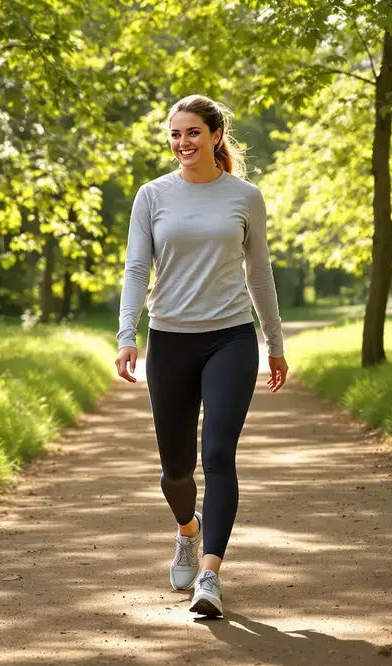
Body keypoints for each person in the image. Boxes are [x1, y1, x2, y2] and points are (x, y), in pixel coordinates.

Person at [115, 94, 288, 618]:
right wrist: (127, 335)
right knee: (176, 470)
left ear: (216, 135)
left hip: (230, 338)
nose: (183, 142)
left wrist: (274, 344)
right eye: (175, 134)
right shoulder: (152, 195)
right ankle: (187, 531)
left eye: (192, 132)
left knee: (218, 455)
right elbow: (136, 269)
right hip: (170, 339)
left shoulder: (245, 196)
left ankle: (209, 575)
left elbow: (259, 272)